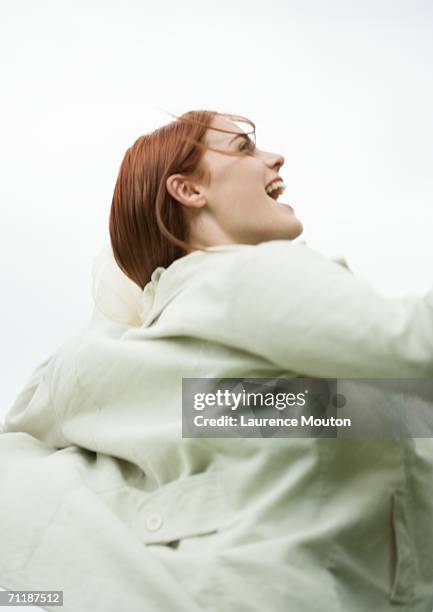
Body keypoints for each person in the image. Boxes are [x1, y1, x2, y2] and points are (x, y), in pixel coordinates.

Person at [0, 110, 432, 612]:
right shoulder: (245, 278)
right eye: (245, 147)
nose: (274, 156)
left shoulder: (116, 357)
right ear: (188, 190)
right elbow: (416, 343)